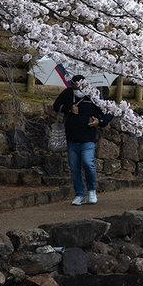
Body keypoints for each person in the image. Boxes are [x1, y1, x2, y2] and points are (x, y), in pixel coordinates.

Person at [51, 74, 113, 205]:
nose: (76, 88)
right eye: (73, 85)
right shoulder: (67, 94)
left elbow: (109, 112)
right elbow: (56, 106)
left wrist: (99, 122)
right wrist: (69, 108)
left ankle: (91, 190)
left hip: (88, 137)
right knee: (74, 168)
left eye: (79, 85)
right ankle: (79, 194)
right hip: (71, 137)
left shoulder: (93, 95)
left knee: (88, 163)